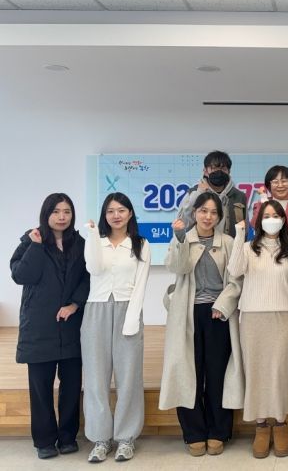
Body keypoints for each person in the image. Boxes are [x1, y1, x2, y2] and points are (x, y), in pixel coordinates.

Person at [159, 192, 244, 456]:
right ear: (194, 213)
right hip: (187, 313)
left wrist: (222, 305)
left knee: (217, 373)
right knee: (188, 371)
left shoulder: (228, 242)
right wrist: (179, 239)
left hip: (219, 314)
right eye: (203, 211)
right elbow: (178, 268)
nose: (208, 217)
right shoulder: (184, 238)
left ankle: (219, 431)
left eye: (213, 212)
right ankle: (193, 432)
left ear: (220, 216)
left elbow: (237, 280)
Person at [10, 193, 90, 459]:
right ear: (46, 214)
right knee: (40, 387)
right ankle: (44, 441)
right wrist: (35, 246)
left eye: (67, 212)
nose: (62, 217)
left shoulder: (80, 244)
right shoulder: (30, 240)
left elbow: (88, 278)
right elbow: (21, 275)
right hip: (39, 326)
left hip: (71, 325)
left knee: (71, 386)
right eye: (56, 212)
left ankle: (68, 437)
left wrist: (75, 304)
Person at [228, 200, 288, 459]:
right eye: (266, 215)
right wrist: (240, 234)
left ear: (283, 220)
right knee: (256, 373)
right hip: (252, 319)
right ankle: (261, 426)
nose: (271, 219)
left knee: (278, 373)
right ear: (258, 220)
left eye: (276, 215)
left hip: (281, 318)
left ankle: (280, 424)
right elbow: (234, 270)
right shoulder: (248, 248)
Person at [82, 192, 151, 463]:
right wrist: (91, 236)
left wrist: (132, 319)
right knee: (96, 377)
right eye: (110, 211)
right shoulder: (96, 242)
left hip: (128, 310)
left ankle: (126, 438)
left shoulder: (140, 244)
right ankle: (100, 439)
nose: (116, 215)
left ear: (130, 213)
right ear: (104, 215)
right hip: (96, 310)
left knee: (129, 377)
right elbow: (94, 268)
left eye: (121, 210)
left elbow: (141, 284)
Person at [252, 165, 288, 380]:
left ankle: (286, 361)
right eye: (275, 181)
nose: (280, 184)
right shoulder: (261, 205)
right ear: (268, 185)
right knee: (268, 312)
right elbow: (255, 225)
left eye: (285, 180)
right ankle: (267, 360)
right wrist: (262, 202)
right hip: (265, 265)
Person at [178, 150, 247, 238]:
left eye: (223, 169)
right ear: (205, 171)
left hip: (230, 245)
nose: (219, 172)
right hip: (200, 245)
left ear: (229, 171)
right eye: (214, 168)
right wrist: (198, 193)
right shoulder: (193, 192)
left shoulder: (239, 196)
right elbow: (183, 222)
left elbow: (245, 229)